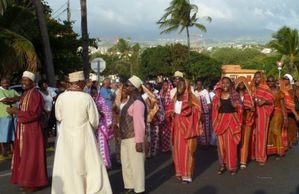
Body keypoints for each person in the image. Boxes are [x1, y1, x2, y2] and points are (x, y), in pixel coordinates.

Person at [52, 71, 112, 194]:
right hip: (84, 136)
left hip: (66, 137)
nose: (85, 84)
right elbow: (94, 120)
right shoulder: (86, 97)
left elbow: (58, 117)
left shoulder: (61, 97)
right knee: (88, 165)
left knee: (67, 165)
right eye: (83, 82)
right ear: (79, 83)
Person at [7, 71, 48, 193]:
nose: (23, 82)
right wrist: (14, 103)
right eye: (22, 80)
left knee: (32, 157)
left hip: (32, 130)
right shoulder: (26, 93)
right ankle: (26, 181)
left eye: (26, 80)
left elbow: (34, 114)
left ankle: (33, 183)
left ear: (32, 82)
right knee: (24, 156)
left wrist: (16, 112)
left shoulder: (35, 95)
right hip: (24, 129)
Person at [165, 77, 202, 183]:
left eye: (181, 84)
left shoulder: (191, 97)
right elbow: (169, 109)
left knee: (187, 152)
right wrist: (170, 113)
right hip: (177, 129)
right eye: (178, 84)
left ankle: (187, 175)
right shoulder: (175, 97)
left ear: (186, 86)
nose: (179, 86)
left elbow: (199, 110)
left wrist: (190, 108)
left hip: (187, 129)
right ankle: (180, 172)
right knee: (177, 151)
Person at [120, 75, 146, 194]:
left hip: (134, 138)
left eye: (128, 85)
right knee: (127, 164)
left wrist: (139, 141)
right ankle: (130, 185)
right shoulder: (130, 101)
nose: (125, 87)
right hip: (125, 138)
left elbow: (139, 123)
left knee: (137, 165)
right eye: (125, 85)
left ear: (134, 88)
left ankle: (139, 189)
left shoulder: (138, 103)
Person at [212, 77, 242, 175]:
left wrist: (236, 106)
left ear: (231, 84)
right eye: (223, 83)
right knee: (221, 146)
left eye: (227, 83)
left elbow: (241, 108)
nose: (225, 85)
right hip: (220, 122)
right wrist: (216, 105)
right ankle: (222, 165)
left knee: (231, 145)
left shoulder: (235, 95)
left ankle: (232, 167)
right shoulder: (217, 96)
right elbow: (213, 109)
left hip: (232, 122)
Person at [251, 71, 274, 165]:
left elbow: (271, 101)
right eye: (255, 77)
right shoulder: (253, 88)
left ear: (262, 78)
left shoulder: (265, 88)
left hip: (262, 114)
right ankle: (255, 155)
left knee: (261, 135)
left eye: (258, 77)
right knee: (254, 134)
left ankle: (262, 157)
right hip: (253, 114)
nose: (257, 79)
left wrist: (264, 101)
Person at [90, 86, 114, 169]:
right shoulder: (92, 100)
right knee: (97, 145)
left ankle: (106, 163)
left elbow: (107, 112)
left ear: (97, 92)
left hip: (102, 126)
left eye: (94, 93)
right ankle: (99, 163)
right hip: (95, 126)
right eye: (92, 93)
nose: (93, 95)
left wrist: (109, 123)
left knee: (103, 144)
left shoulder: (101, 100)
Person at [266, 76, 288, 159]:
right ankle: (271, 150)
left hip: (278, 113)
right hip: (269, 113)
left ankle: (279, 152)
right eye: (269, 81)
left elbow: (282, 105)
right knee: (269, 131)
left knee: (276, 131)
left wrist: (285, 117)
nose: (270, 83)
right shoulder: (266, 90)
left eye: (272, 81)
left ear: (274, 82)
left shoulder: (279, 91)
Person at [235, 77, 254, 169]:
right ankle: (234, 159)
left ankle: (243, 161)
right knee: (235, 141)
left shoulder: (250, 95)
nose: (241, 84)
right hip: (235, 121)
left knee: (245, 141)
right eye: (239, 83)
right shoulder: (233, 95)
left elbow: (252, 107)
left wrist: (248, 108)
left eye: (243, 83)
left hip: (247, 120)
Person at [0, 78, 19, 158]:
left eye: (7, 83)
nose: (6, 84)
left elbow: (19, 97)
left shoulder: (12, 90)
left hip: (14, 115)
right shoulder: (0, 91)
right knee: (3, 134)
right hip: (4, 114)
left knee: (13, 133)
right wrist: (13, 99)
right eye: (4, 83)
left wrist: (10, 100)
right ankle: (4, 151)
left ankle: (12, 150)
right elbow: (4, 100)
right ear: (1, 83)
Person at [280, 74, 299, 147]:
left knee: (292, 126)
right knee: (284, 126)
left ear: (290, 80)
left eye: (286, 79)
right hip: (283, 109)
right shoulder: (281, 88)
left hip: (292, 110)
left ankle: (291, 141)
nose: (285, 80)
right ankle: (285, 142)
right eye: (284, 78)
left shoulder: (293, 88)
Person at [194, 79, 212, 146]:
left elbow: (208, 103)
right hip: (197, 113)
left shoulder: (205, 92)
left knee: (205, 128)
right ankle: (199, 143)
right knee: (198, 127)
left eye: (200, 85)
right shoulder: (194, 92)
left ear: (202, 85)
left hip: (205, 112)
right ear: (196, 85)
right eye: (197, 84)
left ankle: (206, 143)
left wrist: (209, 113)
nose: (199, 86)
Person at [159, 80, 173, 152]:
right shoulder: (160, 93)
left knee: (169, 132)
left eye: (166, 85)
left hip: (168, 115)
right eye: (163, 85)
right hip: (162, 115)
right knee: (163, 132)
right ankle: (164, 148)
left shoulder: (171, 94)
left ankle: (170, 147)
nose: (164, 86)